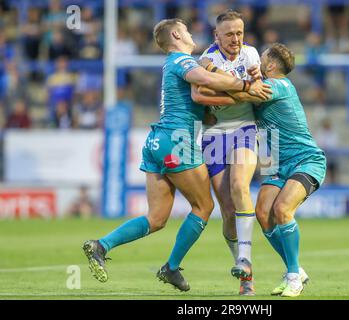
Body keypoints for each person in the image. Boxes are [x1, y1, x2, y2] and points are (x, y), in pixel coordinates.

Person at [82, 18, 271, 292]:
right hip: (177, 141)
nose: (192, 34)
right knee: (204, 207)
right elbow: (204, 79)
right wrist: (244, 88)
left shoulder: (175, 64)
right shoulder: (181, 61)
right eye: (187, 30)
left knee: (156, 219)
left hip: (156, 141)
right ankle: (171, 267)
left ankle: (101, 245)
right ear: (175, 34)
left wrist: (213, 110)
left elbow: (197, 99)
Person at [196, 43, 326, 297]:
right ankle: (296, 269)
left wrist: (209, 73)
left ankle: (292, 277)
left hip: (306, 159)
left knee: (282, 210)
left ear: (272, 65)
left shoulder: (278, 86)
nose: (258, 60)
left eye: (263, 57)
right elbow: (241, 96)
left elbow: (242, 95)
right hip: (278, 165)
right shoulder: (264, 85)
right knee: (263, 214)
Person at [196, 10, 262, 295]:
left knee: (239, 185)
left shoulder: (251, 55)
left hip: (244, 129)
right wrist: (241, 91)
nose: (236, 39)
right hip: (212, 136)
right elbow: (200, 94)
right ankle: (243, 270)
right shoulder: (204, 59)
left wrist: (223, 86)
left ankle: (246, 261)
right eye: (229, 34)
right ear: (216, 36)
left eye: (239, 33)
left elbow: (259, 91)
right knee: (227, 210)